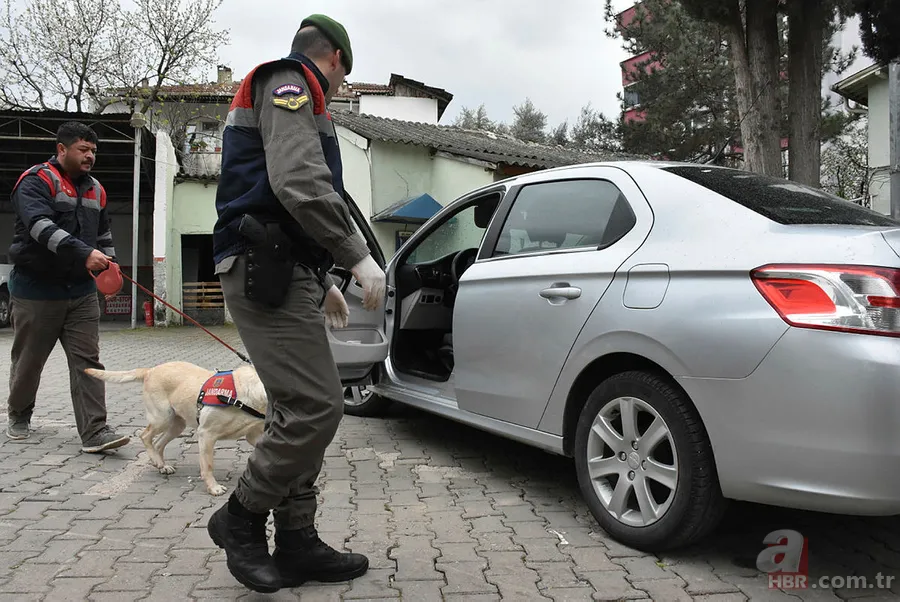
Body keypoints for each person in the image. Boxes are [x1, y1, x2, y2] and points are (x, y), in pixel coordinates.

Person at [207, 14, 386, 593]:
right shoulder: (291, 82)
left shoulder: (290, 89)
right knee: (317, 407)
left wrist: (323, 275)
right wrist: (356, 255)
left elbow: (282, 194)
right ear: (333, 59)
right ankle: (239, 518)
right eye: (343, 79)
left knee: (295, 409)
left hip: (284, 265)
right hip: (264, 265)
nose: (336, 92)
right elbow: (299, 182)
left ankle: (299, 541)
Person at [6, 121, 130, 454]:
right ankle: (19, 413)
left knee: (88, 362)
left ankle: (96, 432)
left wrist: (111, 269)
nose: (90, 156)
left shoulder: (96, 190)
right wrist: (83, 253)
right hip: (36, 291)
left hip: (80, 294)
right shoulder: (35, 182)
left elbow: (103, 235)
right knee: (30, 360)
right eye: (83, 149)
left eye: (93, 151)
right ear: (61, 149)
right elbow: (39, 227)